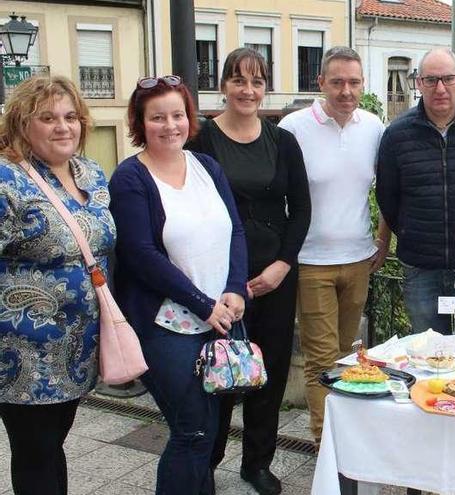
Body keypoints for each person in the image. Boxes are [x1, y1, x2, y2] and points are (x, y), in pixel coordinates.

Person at [109, 75, 248, 494]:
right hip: (165, 328)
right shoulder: (130, 178)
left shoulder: (208, 168)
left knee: (212, 430)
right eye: (157, 118)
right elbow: (141, 256)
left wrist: (236, 287)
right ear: (139, 122)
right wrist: (204, 303)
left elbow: (235, 231)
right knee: (192, 431)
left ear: (189, 118)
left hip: (221, 320)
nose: (169, 125)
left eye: (177, 115)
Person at [186, 47, 311, 495]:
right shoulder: (200, 138)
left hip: (275, 277)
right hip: (220, 278)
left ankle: (257, 463)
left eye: (257, 81)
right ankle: (209, 461)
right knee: (218, 371)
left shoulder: (283, 141)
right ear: (223, 85)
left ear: (266, 88)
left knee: (269, 372)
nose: (248, 90)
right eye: (239, 80)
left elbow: (300, 210)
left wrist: (282, 265)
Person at [0, 76, 114, 495]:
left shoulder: (91, 173)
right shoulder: (6, 180)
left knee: (54, 445)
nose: (62, 126)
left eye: (70, 117)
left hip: (77, 347)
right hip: (23, 355)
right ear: (22, 124)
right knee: (35, 452)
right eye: (46, 118)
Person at [278, 46, 386, 444]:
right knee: (321, 359)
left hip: (359, 259)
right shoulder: (292, 127)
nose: (346, 90)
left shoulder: (374, 127)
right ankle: (328, 446)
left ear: (362, 85)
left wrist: (383, 239)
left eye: (354, 82)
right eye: (337, 81)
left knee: (347, 355)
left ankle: (347, 437)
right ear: (320, 82)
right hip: (310, 262)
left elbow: (386, 189)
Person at [377, 48, 455, 336]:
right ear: (418, 83)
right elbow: (387, 196)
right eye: (431, 80)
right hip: (421, 267)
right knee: (428, 355)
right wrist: (407, 231)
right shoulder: (397, 134)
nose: (440, 88)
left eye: (448, 78)